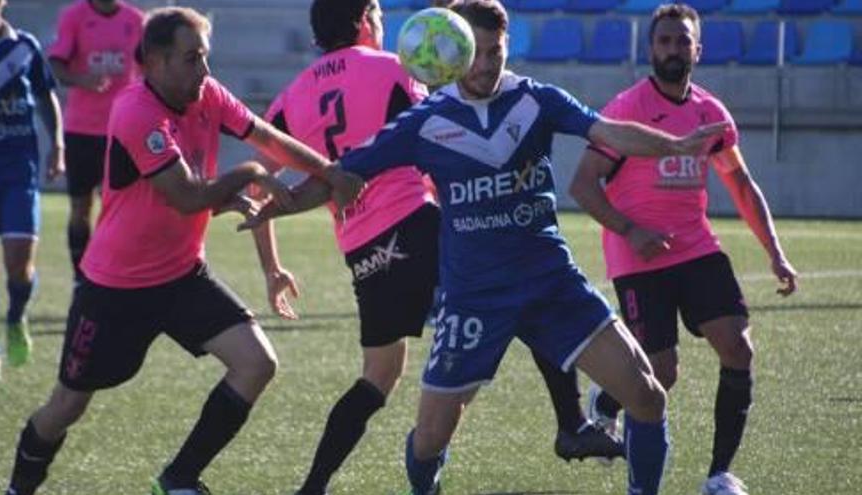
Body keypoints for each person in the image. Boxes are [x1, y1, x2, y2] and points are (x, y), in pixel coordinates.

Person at [244, 1, 733, 493]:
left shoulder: (537, 99)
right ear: (455, 55)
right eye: (474, 53)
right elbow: (341, 176)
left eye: (495, 51)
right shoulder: (426, 120)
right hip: (473, 298)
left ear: (507, 46)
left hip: (551, 284)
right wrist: (277, 205)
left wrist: (671, 145)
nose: (485, 64)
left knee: (647, 395)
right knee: (429, 441)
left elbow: (607, 132)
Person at [2, 7, 361, 495]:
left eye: (205, 57)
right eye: (192, 59)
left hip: (180, 275)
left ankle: (179, 478)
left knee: (257, 363)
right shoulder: (135, 111)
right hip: (115, 288)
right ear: (153, 61)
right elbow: (186, 195)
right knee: (67, 405)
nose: (205, 71)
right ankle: (18, 488)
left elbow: (269, 137)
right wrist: (251, 177)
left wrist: (332, 172)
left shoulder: (207, 94)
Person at [569, 4, 798, 495]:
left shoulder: (710, 114)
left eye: (682, 41)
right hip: (638, 257)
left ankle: (719, 474)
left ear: (698, 49)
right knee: (661, 374)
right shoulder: (626, 109)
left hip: (695, 249)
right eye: (664, 41)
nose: (673, 49)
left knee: (738, 348)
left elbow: (739, 181)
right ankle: (610, 403)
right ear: (651, 49)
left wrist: (775, 252)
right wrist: (630, 232)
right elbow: (584, 186)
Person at [0, 0, 64, 380]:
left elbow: (47, 98)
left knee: (19, 265)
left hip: (18, 172)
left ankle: (16, 318)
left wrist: (57, 147)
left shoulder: (25, 47)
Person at [47, 0, 144, 283]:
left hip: (123, 130)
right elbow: (56, 65)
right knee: (81, 208)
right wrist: (81, 79)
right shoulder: (74, 16)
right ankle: (81, 277)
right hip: (82, 130)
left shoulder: (135, 20)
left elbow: (148, 67)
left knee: (121, 209)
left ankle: (115, 273)